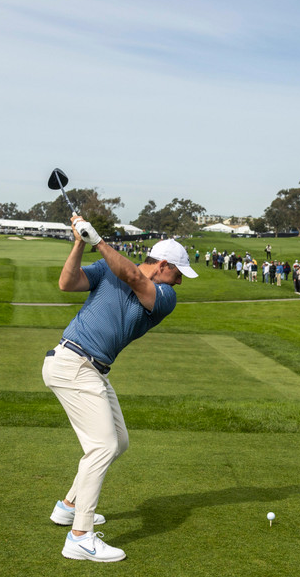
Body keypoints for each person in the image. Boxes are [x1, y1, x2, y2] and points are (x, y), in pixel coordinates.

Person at [43, 217, 198, 563]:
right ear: (163, 265)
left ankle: (68, 506)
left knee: (118, 442)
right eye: (178, 273)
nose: (179, 282)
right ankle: (80, 536)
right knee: (103, 446)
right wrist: (80, 242)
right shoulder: (107, 269)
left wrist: (97, 241)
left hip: (92, 370)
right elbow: (67, 283)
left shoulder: (165, 296)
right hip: (73, 363)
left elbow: (133, 277)